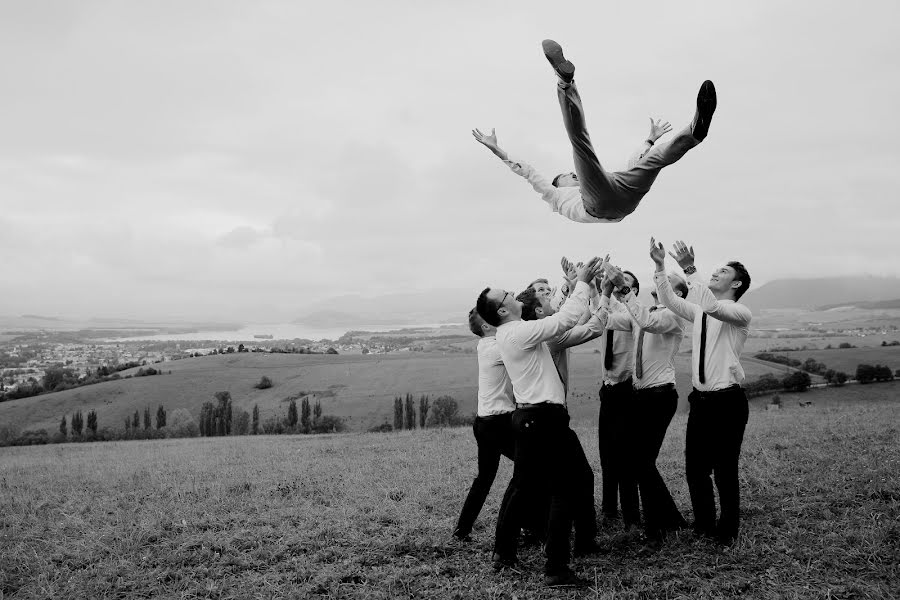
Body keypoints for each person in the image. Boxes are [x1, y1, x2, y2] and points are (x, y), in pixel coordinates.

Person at [471, 40, 716, 223]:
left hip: (620, 193)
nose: (572, 174)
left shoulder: (598, 179)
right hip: (597, 205)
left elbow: (633, 165)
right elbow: (529, 172)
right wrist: (498, 151)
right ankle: (565, 84)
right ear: (558, 184)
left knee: (652, 161)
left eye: (570, 173)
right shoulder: (555, 196)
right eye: (567, 175)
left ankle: (694, 132)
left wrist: (649, 139)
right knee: (580, 142)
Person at [476, 256, 605, 587]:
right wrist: (583, 282)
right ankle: (556, 568)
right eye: (508, 297)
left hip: (534, 418)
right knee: (562, 488)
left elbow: (563, 319)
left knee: (525, 486)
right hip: (542, 418)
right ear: (503, 311)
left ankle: (504, 552)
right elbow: (565, 319)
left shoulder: (512, 332)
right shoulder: (517, 333)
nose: (515, 297)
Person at [651, 237, 752, 544]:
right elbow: (670, 301)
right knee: (695, 469)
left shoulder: (739, 313)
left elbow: (710, 304)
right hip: (701, 401)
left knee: (724, 469)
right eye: (716, 270)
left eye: (723, 272)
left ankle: (728, 529)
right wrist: (659, 265)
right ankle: (704, 524)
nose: (716, 273)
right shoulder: (700, 312)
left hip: (727, 401)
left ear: (736, 285)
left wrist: (690, 269)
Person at [603, 263, 691, 543]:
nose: (659, 281)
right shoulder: (644, 312)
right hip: (641, 396)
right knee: (640, 462)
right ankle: (669, 520)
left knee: (641, 461)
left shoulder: (674, 315)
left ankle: (657, 527)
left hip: (660, 396)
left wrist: (626, 289)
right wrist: (601, 291)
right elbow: (608, 319)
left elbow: (648, 323)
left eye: (667, 281)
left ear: (676, 292)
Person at [452, 308, 516, 541]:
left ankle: (462, 529)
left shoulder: (486, 345)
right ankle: (526, 525)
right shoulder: (495, 347)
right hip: (499, 423)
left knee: (484, 478)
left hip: (484, 422)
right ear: (486, 327)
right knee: (529, 467)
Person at [596, 270, 640, 529]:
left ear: (633, 290)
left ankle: (632, 515)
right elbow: (599, 311)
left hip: (627, 388)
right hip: (608, 387)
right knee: (606, 453)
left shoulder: (631, 314)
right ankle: (609, 508)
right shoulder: (607, 306)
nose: (617, 284)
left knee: (626, 456)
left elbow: (607, 319)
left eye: (624, 283)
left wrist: (608, 294)